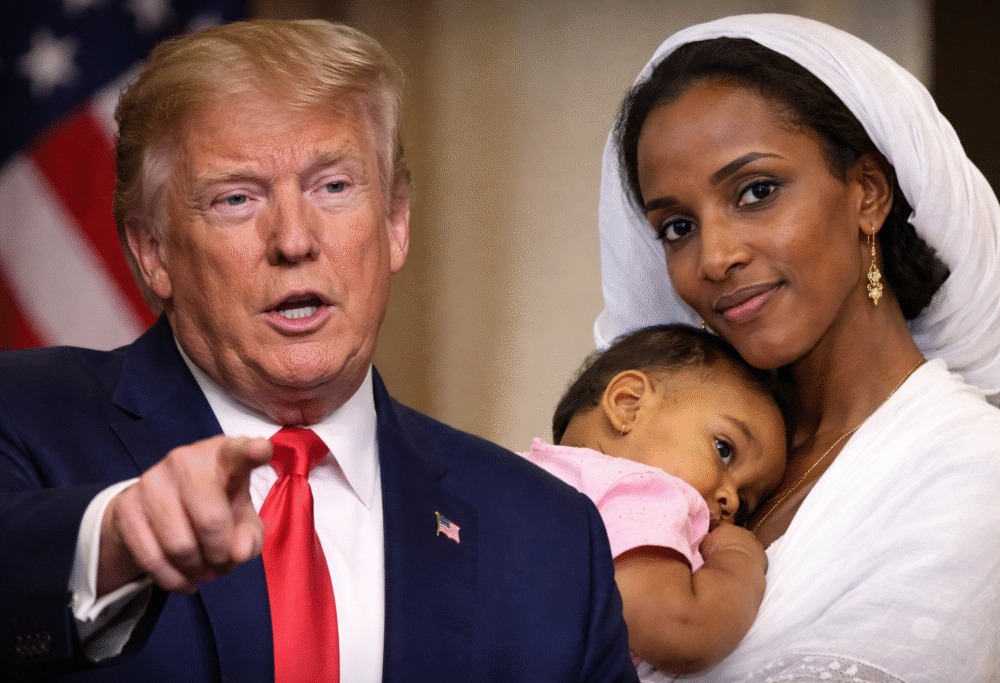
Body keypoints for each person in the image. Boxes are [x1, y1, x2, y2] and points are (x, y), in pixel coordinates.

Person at [0, 19, 638, 683]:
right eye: (236, 198)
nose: (294, 239)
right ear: (153, 252)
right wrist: (116, 535)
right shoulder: (22, 414)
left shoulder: (550, 538)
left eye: (333, 186)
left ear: (395, 224)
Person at [596, 13, 1000, 683]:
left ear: (869, 194)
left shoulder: (981, 469)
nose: (714, 256)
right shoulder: (668, 458)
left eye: (756, 192)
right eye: (678, 226)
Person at [521, 324, 786, 678]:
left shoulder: (529, 475)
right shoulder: (640, 489)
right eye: (724, 450)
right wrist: (739, 559)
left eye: (747, 502)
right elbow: (682, 632)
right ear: (628, 405)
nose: (732, 502)